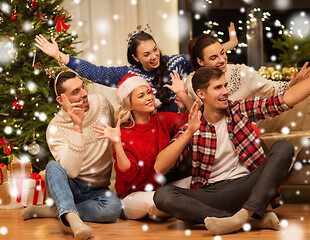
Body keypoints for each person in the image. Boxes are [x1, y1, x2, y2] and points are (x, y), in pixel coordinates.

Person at [153, 55, 310, 235]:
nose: (226, 91)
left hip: (247, 187)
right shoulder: (192, 125)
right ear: (201, 94)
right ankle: (249, 221)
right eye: (218, 88)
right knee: (162, 195)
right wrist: (188, 132)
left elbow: (285, 99)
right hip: (211, 193)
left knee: (284, 147)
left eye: (225, 85)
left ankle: (244, 214)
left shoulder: (240, 109)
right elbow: (160, 167)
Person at [34, 23, 238, 113]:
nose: (154, 56)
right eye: (146, 54)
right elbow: (96, 72)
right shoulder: (130, 74)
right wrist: (59, 55)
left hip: (181, 125)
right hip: (152, 132)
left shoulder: (176, 62)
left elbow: (204, 56)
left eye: (155, 50)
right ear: (135, 57)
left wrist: (230, 45)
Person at [21, 71, 122, 240]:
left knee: (113, 208)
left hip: (98, 190)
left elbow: (120, 125)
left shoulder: (101, 103)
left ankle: (60, 211)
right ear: (61, 100)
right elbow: (72, 171)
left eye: (82, 87)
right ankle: (75, 222)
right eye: (75, 92)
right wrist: (77, 126)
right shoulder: (55, 128)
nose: (84, 94)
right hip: (69, 186)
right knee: (53, 166)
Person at [92, 73, 193, 220]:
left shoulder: (161, 120)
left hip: (161, 191)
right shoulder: (123, 133)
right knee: (156, 200)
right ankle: (170, 208)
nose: (148, 97)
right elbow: (128, 175)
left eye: (148, 92)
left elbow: (194, 118)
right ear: (130, 104)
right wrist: (117, 143)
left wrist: (181, 94)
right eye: (141, 96)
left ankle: (167, 209)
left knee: (199, 180)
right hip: (131, 198)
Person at [184, 34, 310, 102]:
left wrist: (292, 84)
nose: (222, 60)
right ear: (200, 61)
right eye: (213, 58)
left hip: (244, 136)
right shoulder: (191, 82)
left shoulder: (242, 73)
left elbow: (271, 89)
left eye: (223, 53)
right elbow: (189, 115)